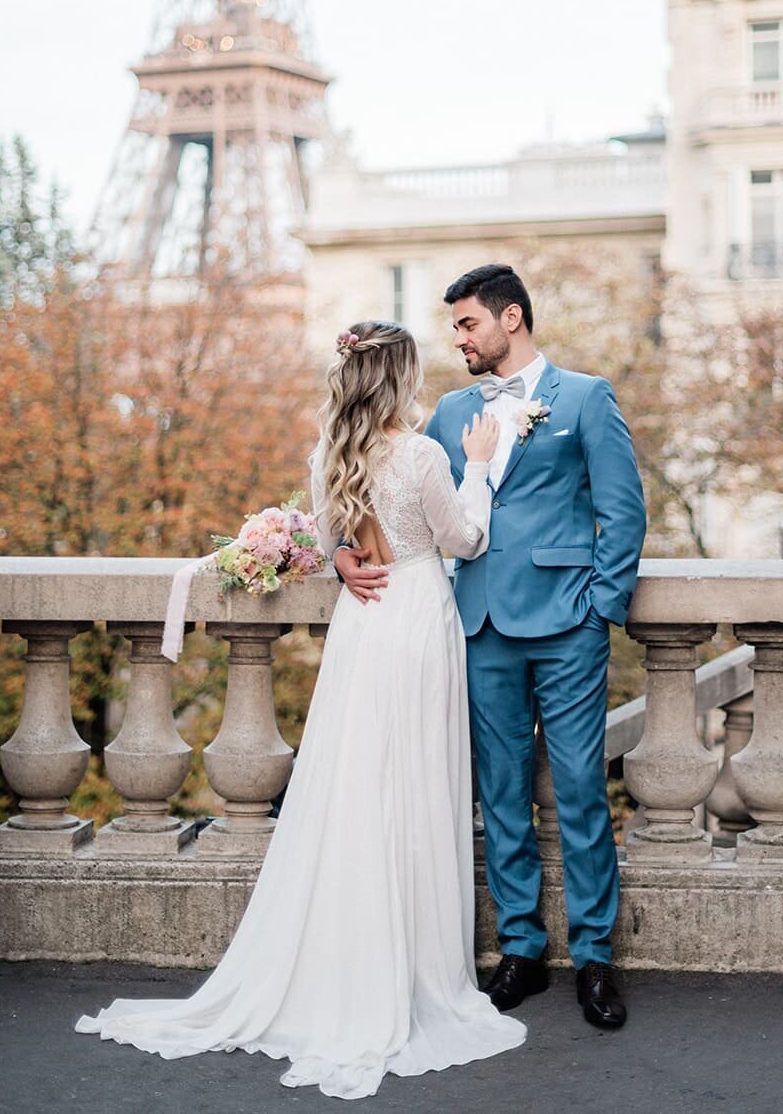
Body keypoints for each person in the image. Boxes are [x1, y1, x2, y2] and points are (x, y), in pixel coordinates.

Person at [75, 320, 526, 1100]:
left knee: (352, 786)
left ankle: (341, 962)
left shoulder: (329, 457)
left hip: (361, 629)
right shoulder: (422, 455)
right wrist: (480, 466)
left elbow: (332, 547)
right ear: (399, 379)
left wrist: (346, 559)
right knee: (414, 787)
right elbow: (466, 541)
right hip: (417, 620)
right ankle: (411, 970)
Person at [335, 266, 646, 1030]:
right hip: (473, 625)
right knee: (499, 794)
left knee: (577, 789)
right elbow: (379, 488)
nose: (459, 340)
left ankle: (596, 956)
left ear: (511, 319)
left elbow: (622, 511)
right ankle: (521, 951)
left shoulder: (584, 397)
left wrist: (598, 608)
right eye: (455, 329)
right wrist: (342, 547)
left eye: (468, 325)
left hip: (567, 625)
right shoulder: (447, 411)